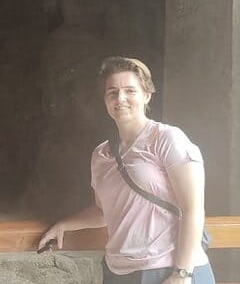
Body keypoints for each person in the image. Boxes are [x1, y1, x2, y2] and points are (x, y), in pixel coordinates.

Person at [37, 56, 214, 284]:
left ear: (146, 95)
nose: (120, 98)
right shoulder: (101, 155)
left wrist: (182, 274)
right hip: (120, 272)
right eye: (113, 92)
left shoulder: (167, 139)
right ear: (105, 100)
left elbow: (193, 209)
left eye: (130, 91)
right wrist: (65, 224)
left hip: (169, 269)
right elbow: (103, 212)